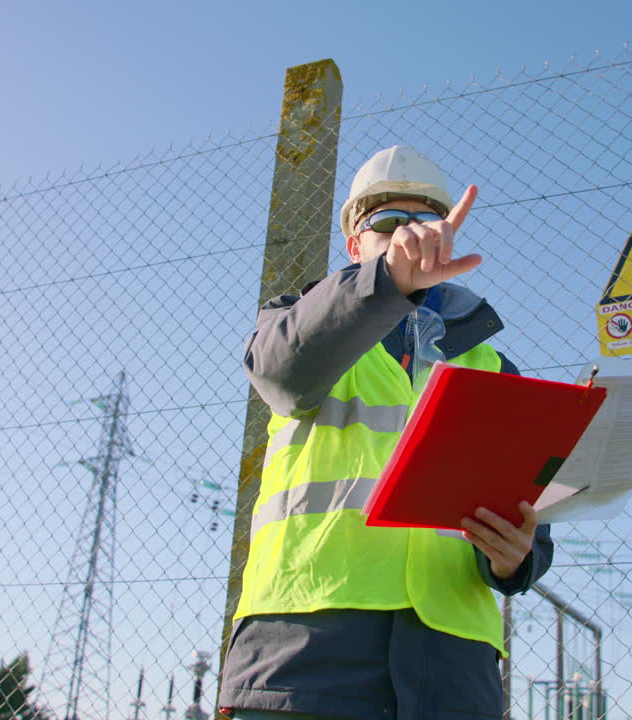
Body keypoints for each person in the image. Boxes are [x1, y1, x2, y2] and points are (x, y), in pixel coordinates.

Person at [218, 146, 553, 720]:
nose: (409, 238)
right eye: (388, 225)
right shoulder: (295, 319)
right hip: (305, 654)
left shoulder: (490, 365)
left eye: (424, 223)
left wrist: (517, 558)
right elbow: (281, 373)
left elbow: (529, 513)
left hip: (454, 671)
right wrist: (388, 283)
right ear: (355, 244)